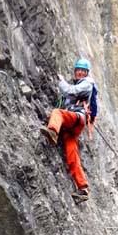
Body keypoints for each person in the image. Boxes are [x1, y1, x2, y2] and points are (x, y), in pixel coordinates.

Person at [40, 58, 94, 203]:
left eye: (83, 71)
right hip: (72, 126)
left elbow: (70, 91)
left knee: (57, 113)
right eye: (78, 70)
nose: (80, 73)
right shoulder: (79, 85)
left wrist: (62, 81)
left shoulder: (88, 83)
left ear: (87, 73)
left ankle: (53, 132)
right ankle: (83, 188)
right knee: (72, 153)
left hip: (77, 118)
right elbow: (66, 98)